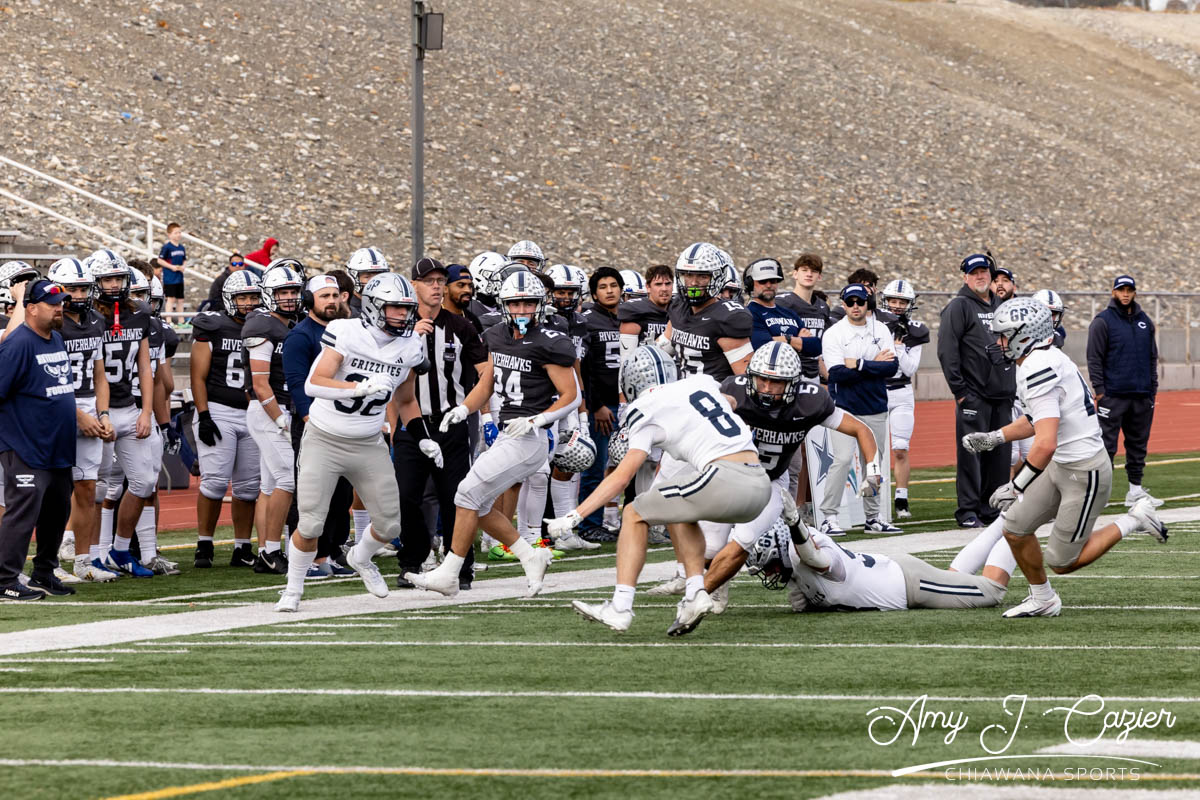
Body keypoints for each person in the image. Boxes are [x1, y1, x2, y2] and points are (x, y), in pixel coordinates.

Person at [963, 297, 1167, 618]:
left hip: (1085, 472)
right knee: (1015, 528)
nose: (999, 343)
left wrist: (1016, 486)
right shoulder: (1042, 357)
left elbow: (1045, 443)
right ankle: (1043, 598)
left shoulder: (1038, 365)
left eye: (1004, 335)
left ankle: (1135, 519)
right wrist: (995, 437)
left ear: (1023, 336)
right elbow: (1037, 419)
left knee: (1062, 561)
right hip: (1063, 465)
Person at [552, 346, 771, 635]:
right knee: (675, 507)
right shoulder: (700, 382)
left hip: (725, 479)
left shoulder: (644, 407)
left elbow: (622, 478)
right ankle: (695, 593)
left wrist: (575, 516)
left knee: (634, 512)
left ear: (630, 382)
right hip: (760, 484)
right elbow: (730, 401)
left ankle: (620, 607)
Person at [404, 271, 579, 598]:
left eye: (528, 303)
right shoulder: (495, 335)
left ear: (540, 305)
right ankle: (530, 555)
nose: (522, 310)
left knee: (465, 494)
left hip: (529, 438)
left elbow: (573, 395)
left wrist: (537, 420)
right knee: (479, 503)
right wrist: (464, 409)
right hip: (507, 434)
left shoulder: (550, 342)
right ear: (504, 305)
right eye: (515, 303)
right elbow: (486, 383)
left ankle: (450, 573)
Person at [276, 273, 440, 611]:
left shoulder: (411, 344)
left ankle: (361, 558)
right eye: (395, 308)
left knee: (390, 524)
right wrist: (357, 388)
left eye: (407, 308)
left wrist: (423, 437)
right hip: (325, 437)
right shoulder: (346, 331)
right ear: (374, 307)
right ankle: (293, 589)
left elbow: (406, 400)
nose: (404, 315)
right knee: (311, 523)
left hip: (368, 441)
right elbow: (313, 384)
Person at [688, 342, 881, 627]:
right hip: (729, 476)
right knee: (709, 550)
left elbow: (860, 428)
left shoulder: (810, 401)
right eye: (761, 379)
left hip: (771, 481)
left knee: (756, 542)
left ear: (793, 384)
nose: (766, 388)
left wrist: (873, 469)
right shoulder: (733, 391)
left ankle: (794, 585)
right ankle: (719, 581)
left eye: (776, 382)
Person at [392, 258, 488, 589]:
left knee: (456, 496)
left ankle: (460, 565)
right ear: (414, 285)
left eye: (439, 281)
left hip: (451, 422)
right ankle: (412, 559)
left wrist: (475, 410)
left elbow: (486, 372)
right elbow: (386, 372)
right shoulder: (399, 326)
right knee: (406, 495)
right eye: (428, 280)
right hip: (411, 423)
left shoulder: (461, 326)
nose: (436, 286)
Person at [745, 515, 1015, 613]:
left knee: (992, 591)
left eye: (770, 566)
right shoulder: (796, 563)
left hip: (911, 585)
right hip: (903, 579)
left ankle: (1019, 519)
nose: (770, 574)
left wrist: (795, 524)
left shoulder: (811, 552)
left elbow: (817, 560)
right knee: (952, 577)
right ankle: (1005, 519)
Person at [0, 279, 78, 599]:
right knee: (22, 513)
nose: (59, 308)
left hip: (58, 446)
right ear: (31, 308)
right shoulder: (18, 344)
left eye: (61, 303)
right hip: (26, 446)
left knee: (56, 512)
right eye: (52, 303)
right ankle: (5, 580)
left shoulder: (56, 338)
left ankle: (44, 572)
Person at [46, 258, 117, 582]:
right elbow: (45, 377)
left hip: (89, 402)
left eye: (83, 288)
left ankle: (84, 561)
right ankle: (50, 562)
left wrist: (103, 414)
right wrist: (77, 415)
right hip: (55, 406)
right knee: (55, 490)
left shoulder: (96, 320)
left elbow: (100, 374)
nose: (78, 295)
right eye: (72, 289)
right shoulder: (51, 323)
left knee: (88, 486)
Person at [87, 251, 158, 578]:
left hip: (129, 407)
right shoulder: (87, 318)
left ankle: (119, 549)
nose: (114, 285)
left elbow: (145, 367)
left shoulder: (139, 313)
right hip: (96, 409)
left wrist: (146, 411)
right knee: (95, 488)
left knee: (144, 482)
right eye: (107, 279)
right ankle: (90, 555)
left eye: (119, 278)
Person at [281, 273, 355, 578]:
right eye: (325, 296)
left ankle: (329, 551)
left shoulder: (347, 331)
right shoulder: (300, 336)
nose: (332, 301)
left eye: (335, 295)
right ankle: (304, 557)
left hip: (344, 423)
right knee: (311, 494)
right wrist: (312, 421)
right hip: (314, 425)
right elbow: (298, 385)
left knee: (341, 495)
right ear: (310, 300)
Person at [937, 253, 1016, 528]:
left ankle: (991, 509)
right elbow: (947, 351)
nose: (980, 276)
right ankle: (968, 511)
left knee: (999, 457)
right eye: (974, 273)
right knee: (972, 455)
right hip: (974, 396)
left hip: (1002, 395)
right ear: (965, 277)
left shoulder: (1001, 305)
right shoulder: (959, 307)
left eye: (983, 272)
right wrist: (960, 392)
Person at [190, 270, 263, 568]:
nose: (248, 303)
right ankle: (204, 544)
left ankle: (242, 547)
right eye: (242, 297)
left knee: (248, 488)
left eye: (253, 297)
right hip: (218, 409)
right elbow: (197, 376)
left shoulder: (266, 326)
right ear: (229, 299)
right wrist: (204, 415)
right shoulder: (213, 325)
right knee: (214, 483)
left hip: (253, 413)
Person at [819, 284, 899, 535]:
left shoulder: (881, 329)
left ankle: (873, 517)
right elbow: (836, 374)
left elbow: (891, 368)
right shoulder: (834, 333)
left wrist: (859, 364)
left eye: (860, 301)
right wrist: (873, 365)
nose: (856, 306)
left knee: (873, 463)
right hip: (843, 408)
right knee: (842, 460)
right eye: (850, 302)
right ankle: (829, 517)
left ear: (868, 304)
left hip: (875, 406)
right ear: (843, 304)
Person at [243, 260, 305, 574]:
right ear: (269, 293)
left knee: (269, 486)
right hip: (268, 410)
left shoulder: (288, 324)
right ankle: (271, 551)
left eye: (293, 291)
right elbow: (259, 383)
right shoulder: (262, 325)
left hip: (279, 409)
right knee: (288, 480)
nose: (290, 297)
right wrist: (279, 417)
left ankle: (265, 553)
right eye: (283, 292)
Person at [1087, 275, 1161, 507]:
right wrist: (1100, 391)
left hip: (1141, 396)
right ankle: (1102, 494)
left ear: (1135, 293)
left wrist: (1152, 389)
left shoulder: (1145, 321)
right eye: (1121, 290)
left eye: (1129, 290)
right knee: (1106, 446)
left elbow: (1152, 357)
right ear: (1114, 292)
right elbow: (1094, 358)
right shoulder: (1103, 321)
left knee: (1138, 445)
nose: (1125, 294)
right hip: (1113, 396)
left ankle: (1135, 491)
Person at [578, 266, 624, 539]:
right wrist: (596, 406)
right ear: (594, 294)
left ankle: (626, 519)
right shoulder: (588, 321)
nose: (609, 291)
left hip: (627, 403)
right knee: (595, 467)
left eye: (613, 285)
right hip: (603, 406)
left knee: (626, 466)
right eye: (603, 287)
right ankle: (589, 525)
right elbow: (584, 370)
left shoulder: (628, 318)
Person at [879, 279, 929, 519]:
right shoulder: (873, 326)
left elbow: (909, 369)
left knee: (900, 448)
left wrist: (898, 348)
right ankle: (874, 499)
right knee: (873, 449)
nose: (897, 306)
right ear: (884, 301)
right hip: (877, 390)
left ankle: (901, 499)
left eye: (902, 302)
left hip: (901, 392)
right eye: (893, 301)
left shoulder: (916, 330)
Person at [743, 258, 821, 359]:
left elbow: (816, 346)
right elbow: (761, 344)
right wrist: (794, 340)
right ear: (751, 284)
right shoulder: (749, 313)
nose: (768, 285)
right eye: (763, 281)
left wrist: (779, 339)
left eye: (773, 281)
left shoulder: (789, 313)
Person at [776, 253, 830, 384]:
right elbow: (770, 340)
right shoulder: (782, 303)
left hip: (813, 374)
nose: (809, 274)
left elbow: (818, 354)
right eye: (804, 270)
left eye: (814, 271)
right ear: (795, 274)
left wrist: (830, 378)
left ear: (819, 276)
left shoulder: (823, 307)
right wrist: (796, 340)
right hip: (788, 371)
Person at [617, 264, 672, 357]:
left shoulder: (678, 309)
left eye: (668, 284)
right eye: (658, 284)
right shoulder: (634, 311)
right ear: (648, 287)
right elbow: (628, 359)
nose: (664, 289)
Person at [345, 246, 390, 318]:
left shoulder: (388, 304)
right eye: (367, 277)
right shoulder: (346, 310)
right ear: (353, 277)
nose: (374, 281)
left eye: (379, 276)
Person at [156, 222, 187, 316]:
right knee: (171, 299)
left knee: (180, 300)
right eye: (176, 233)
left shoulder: (181, 247)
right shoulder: (167, 247)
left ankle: (181, 320)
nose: (178, 234)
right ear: (169, 234)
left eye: (179, 232)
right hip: (170, 278)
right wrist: (171, 267)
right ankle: (169, 320)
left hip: (179, 278)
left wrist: (183, 266)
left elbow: (184, 260)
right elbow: (160, 260)